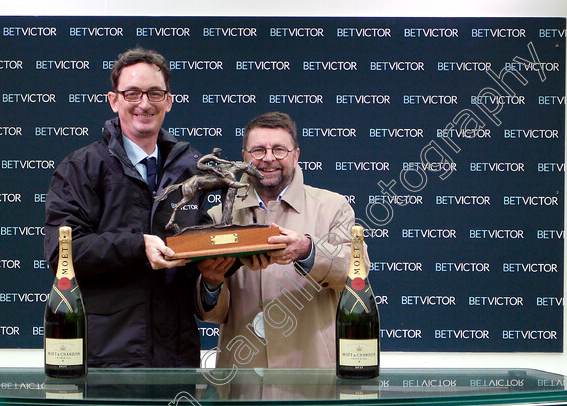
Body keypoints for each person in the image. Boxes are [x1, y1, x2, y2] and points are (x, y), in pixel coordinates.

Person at [44, 48, 209, 367]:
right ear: (114, 100)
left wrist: (215, 273)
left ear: (169, 101)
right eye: (132, 93)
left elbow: (197, 258)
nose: (144, 104)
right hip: (106, 360)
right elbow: (62, 253)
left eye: (154, 93)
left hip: (175, 361)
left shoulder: (193, 169)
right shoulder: (81, 168)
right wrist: (137, 246)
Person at [195, 111, 358, 368]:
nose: (269, 158)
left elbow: (355, 274)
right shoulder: (218, 217)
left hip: (311, 381)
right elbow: (211, 314)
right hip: (242, 383)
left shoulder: (333, 207)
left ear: (296, 155)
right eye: (258, 150)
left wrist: (308, 250)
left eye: (280, 150)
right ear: (244, 158)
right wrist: (212, 283)